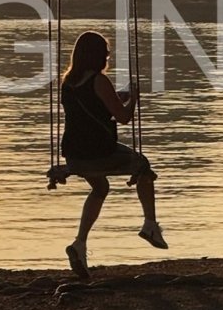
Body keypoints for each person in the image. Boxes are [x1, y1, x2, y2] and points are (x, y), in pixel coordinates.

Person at [59, 29, 165, 279]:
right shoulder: (99, 80)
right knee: (142, 166)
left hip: (75, 155)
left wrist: (119, 97)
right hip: (100, 153)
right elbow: (124, 117)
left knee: (100, 189)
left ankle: (80, 244)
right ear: (96, 55)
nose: (108, 57)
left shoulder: (68, 81)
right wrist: (134, 99)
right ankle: (150, 225)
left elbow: (93, 105)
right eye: (105, 53)